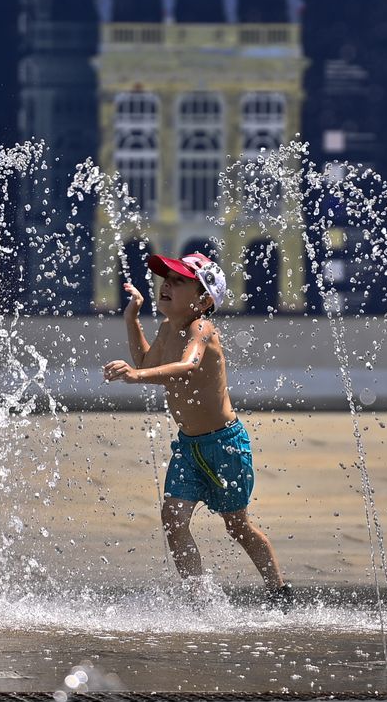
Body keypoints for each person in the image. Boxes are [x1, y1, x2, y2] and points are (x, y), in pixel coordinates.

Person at [103, 252, 293, 610]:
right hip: (189, 447)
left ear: (203, 299)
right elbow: (146, 363)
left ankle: (279, 593)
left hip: (225, 445)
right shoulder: (167, 329)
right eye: (166, 279)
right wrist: (132, 319)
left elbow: (186, 365)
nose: (166, 286)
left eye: (178, 281)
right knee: (173, 519)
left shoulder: (201, 329)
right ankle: (200, 599)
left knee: (237, 527)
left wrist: (135, 375)